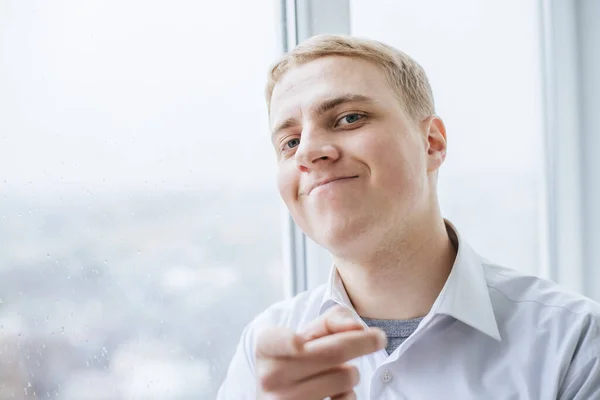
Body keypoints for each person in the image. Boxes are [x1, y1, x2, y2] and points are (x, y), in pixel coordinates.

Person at [217, 34, 600, 399]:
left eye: (349, 118)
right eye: (290, 142)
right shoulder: (264, 353)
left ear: (431, 143)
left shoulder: (573, 341)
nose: (308, 151)